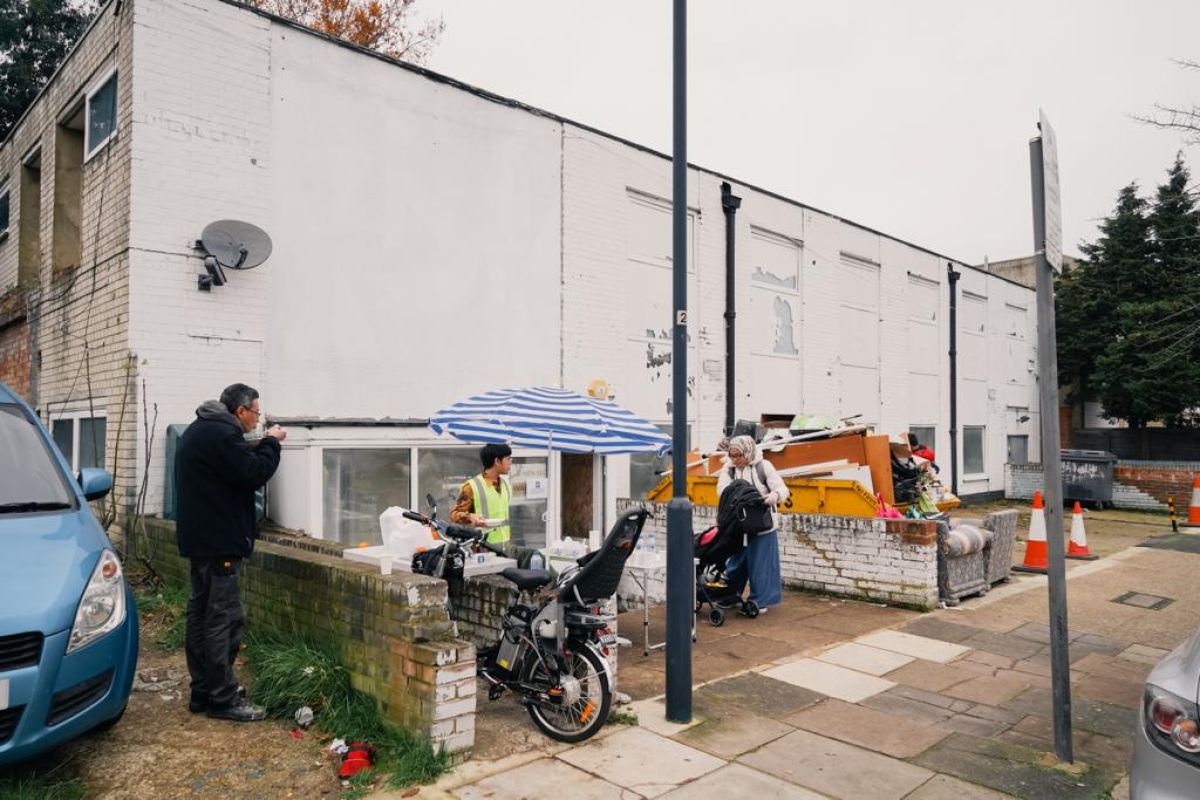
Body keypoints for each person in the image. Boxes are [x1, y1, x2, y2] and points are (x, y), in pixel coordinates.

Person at [176, 383, 286, 722]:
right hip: (220, 543)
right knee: (223, 618)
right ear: (240, 411)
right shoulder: (224, 435)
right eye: (256, 413)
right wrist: (271, 442)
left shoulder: (200, 429)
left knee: (200, 614)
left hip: (199, 541)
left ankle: (204, 690)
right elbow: (253, 473)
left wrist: (256, 442)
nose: (257, 419)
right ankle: (223, 699)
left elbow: (228, 465)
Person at [716, 434, 788, 614]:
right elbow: (722, 492)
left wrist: (775, 496)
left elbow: (782, 488)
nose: (736, 459)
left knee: (761, 564)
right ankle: (730, 595)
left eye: (739, 455)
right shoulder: (729, 468)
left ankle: (759, 600)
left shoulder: (763, 466)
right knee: (736, 561)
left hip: (762, 524)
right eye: (732, 455)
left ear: (748, 451)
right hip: (739, 524)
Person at [450, 443, 513, 546]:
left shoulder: (505, 485)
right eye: (508, 459)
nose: (511, 462)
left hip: (505, 546)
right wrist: (470, 517)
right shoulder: (471, 486)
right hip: (482, 549)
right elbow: (454, 514)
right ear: (497, 461)